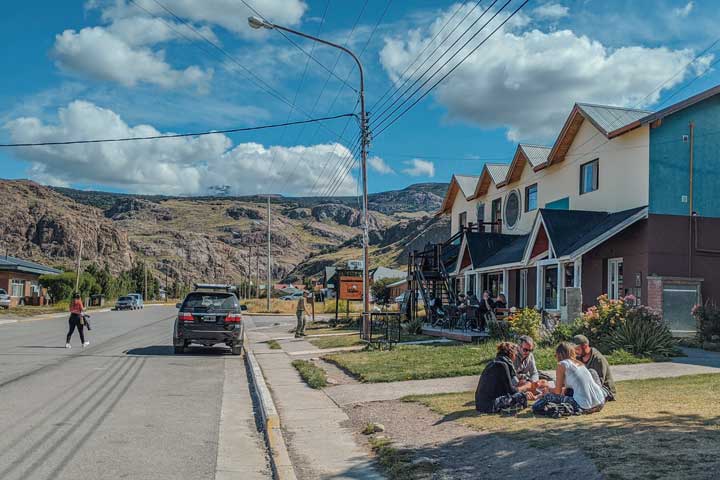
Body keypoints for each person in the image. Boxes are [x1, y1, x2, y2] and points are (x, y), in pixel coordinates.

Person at [533, 342, 605, 415]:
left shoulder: (561, 364)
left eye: (555, 355)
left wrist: (548, 390)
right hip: (600, 402)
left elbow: (558, 392)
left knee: (543, 401)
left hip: (584, 406)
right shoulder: (579, 363)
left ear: (559, 355)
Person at [475, 341, 534, 413]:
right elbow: (511, 391)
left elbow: (504, 388)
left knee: (519, 395)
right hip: (490, 406)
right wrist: (526, 387)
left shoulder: (493, 362)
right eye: (515, 354)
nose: (515, 357)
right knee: (521, 396)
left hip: (479, 405)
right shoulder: (503, 365)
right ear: (511, 354)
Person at [573, 334, 616, 399]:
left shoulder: (598, 359)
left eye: (577, 349)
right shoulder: (578, 358)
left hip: (604, 390)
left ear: (585, 346)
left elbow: (598, 383)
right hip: (588, 388)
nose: (575, 352)